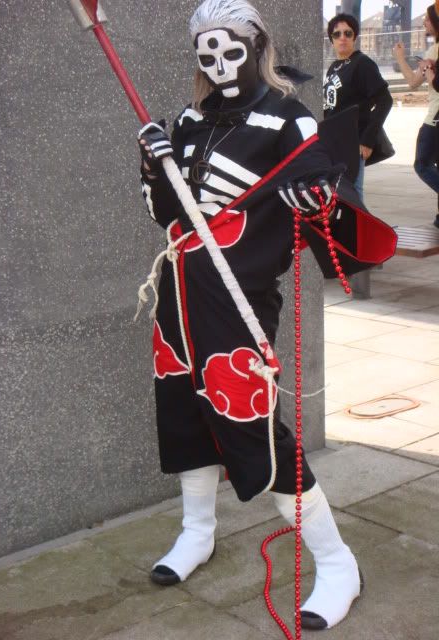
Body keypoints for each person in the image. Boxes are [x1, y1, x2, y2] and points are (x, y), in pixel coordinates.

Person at [137, 0, 394, 631]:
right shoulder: (190, 120)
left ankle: (337, 563)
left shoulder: (288, 119)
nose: (218, 64)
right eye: (206, 54)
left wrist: (316, 195)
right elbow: (165, 214)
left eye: (230, 51)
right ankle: (198, 530)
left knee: (255, 428)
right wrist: (154, 163)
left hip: (239, 297)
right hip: (178, 294)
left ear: (258, 47)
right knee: (183, 410)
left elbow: (320, 200)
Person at [323, 13, 393, 203]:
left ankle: (358, 232)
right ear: (331, 40)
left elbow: (385, 101)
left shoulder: (362, 64)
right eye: (337, 34)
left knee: (352, 194)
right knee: (338, 194)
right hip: (334, 142)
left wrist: (367, 140)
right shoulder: (334, 67)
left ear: (355, 37)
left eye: (348, 33)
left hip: (353, 141)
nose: (342, 38)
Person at [394, 3, 439, 229]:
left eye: (428, 19)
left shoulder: (434, 51)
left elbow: (413, 81)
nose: (424, 22)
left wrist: (401, 58)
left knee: (422, 164)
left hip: (435, 118)